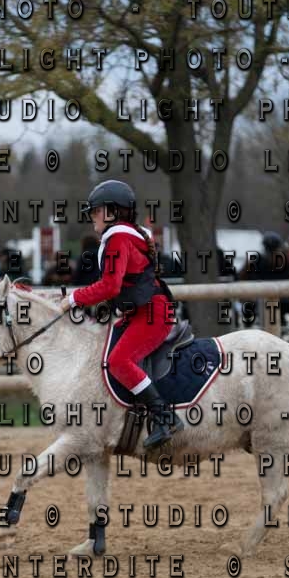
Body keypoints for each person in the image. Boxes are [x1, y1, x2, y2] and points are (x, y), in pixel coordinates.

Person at [60, 179, 181, 450]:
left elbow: (110, 286)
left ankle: (165, 417)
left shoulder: (118, 238)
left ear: (112, 211)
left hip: (152, 313)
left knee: (118, 361)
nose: (92, 217)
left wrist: (73, 299)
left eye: (96, 211)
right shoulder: (127, 235)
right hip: (142, 311)